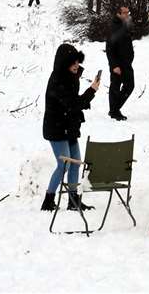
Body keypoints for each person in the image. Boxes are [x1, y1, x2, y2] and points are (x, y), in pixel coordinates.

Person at [41, 43, 100, 212]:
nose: (76, 65)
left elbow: (74, 103)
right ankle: (48, 200)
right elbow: (73, 103)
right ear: (64, 63)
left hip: (70, 127)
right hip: (56, 129)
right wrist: (92, 90)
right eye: (73, 62)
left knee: (75, 164)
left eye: (77, 62)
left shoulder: (70, 76)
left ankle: (73, 201)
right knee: (64, 165)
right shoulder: (57, 82)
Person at [105, 5, 135, 120]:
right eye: (125, 13)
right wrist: (114, 65)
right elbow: (109, 49)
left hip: (126, 63)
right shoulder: (114, 27)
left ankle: (114, 109)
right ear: (118, 14)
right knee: (115, 87)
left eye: (128, 12)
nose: (128, 15)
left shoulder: (124, 24)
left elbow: (128, 37)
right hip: (118, 64)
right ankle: (114, 111)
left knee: (129, 86)